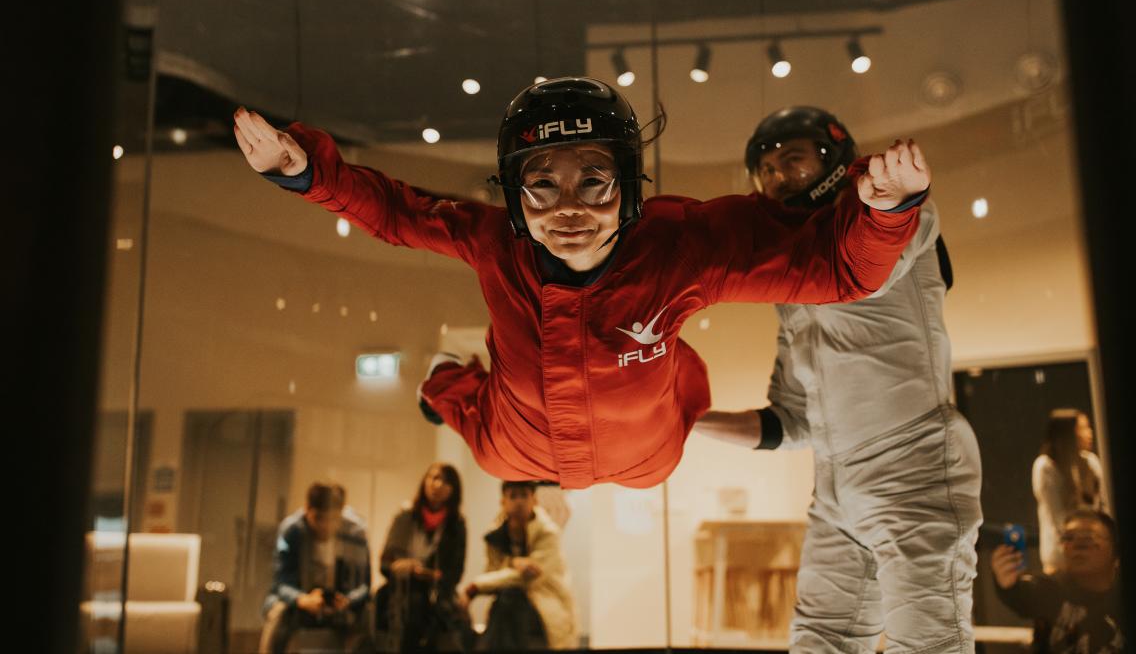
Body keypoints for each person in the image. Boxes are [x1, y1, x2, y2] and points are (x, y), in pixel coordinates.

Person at [233, 77, 931, 489]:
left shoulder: (679, 247)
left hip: (647, 450)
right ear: (514, 194)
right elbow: (394, 210)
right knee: (470, 426)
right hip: (518, 443)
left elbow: (839, 270)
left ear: (627, 186)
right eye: (542, 187)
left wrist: (887, 209)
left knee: (669, 410)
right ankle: (444, 377)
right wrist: (307, 173)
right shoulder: (493, 242)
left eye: (593, 182)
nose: (568, 210)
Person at [694, 106, 982, 653]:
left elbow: (875, 253)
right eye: (768, 170)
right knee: (820, 640)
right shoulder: (792, 278)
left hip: (912, 465)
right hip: (835, 485)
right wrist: (689, 421)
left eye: (792, 161)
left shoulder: (890, 221)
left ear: (832, 159)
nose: (779, 177)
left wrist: (892, 200)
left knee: (929, 644)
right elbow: (792, 419)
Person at [259, 482, 372, 654]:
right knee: (277, 612)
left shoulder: (355, 532)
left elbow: (364, 584)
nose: (325, 526)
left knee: (368, 617)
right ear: (307, 510)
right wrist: (302, 599)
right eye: (319, 518)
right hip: (301, 602)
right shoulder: (291, 530)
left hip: (342, 604)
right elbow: (280, 582)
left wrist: (347, 600)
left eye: (333, 519)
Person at [991, 509, 1125, 653]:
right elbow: (1024, 595)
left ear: (1114, 550)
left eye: (1088, 537)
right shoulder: (1052, 590)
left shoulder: (1125, 600)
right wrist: (1007, 583)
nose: (1076, 546)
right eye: (1068, 537)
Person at [464, 481, 577, 650]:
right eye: (513, 496)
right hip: (506, 605)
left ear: (534, 499)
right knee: (507, 601)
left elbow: (531, 578)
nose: (519, 502)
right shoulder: (494, 535)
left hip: (545, 603)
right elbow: (492, 573)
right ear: (503, 501)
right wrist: (514, 563)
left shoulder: (548, 533)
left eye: (524, 495)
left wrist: (475, 587)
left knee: (510, 602)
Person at [376, 463, 471, 652]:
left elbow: (455, 573)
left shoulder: (456, 524)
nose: (437, 485)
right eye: (433, 478)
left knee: (455, 622)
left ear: (454, 490)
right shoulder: (405, 516)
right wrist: (405, 567)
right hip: (401, 591)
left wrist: (431, 574)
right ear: (424, 482)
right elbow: (385, 563)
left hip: (438, 596)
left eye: (445, 481)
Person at [1034, 408, 1107, 574]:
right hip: (1061, 558)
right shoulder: (1046, 466)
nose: (1090, 433)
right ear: (1067, 434)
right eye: (1082, 428)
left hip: (1093, 555)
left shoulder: (1091, 462)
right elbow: (1058, 517)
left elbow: (1102, 506)